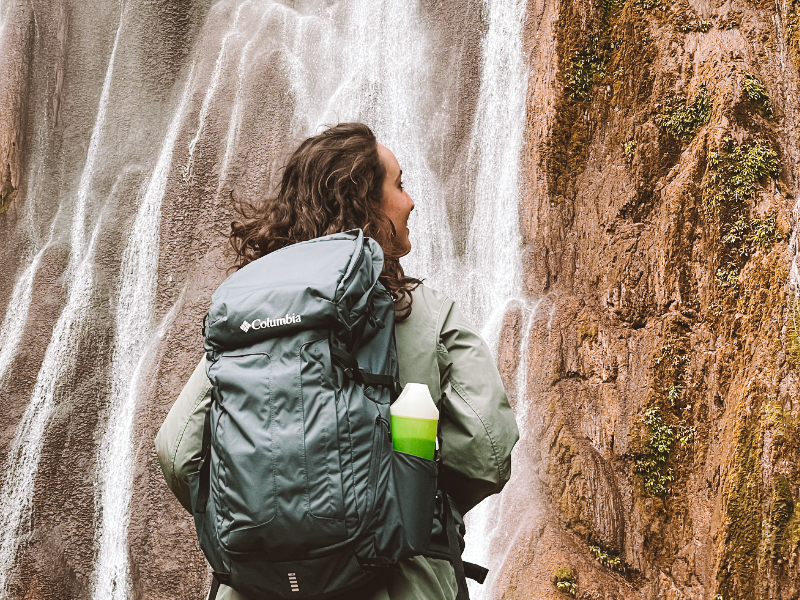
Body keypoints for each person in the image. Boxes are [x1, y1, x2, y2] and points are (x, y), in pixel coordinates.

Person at [155, 122, 519, 600]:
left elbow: (177, 452)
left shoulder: (249, 315)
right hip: (400, 581)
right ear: (364, 202)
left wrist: (268, 527)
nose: (410, 202)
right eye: (400, 184)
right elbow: (485, 450)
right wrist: (404, 498)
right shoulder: (428, 312)